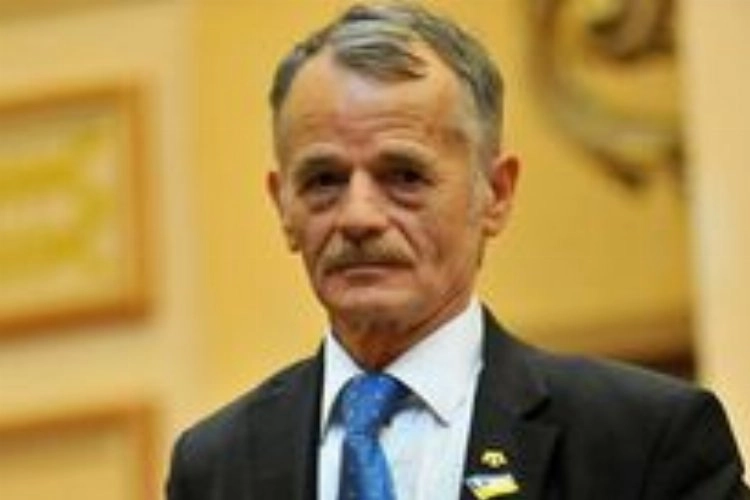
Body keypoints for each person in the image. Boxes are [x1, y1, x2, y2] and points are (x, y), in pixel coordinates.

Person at [166, 2, 748, 499]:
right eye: (324, 181)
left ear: (495, 194)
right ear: (282, 205)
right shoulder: (216, 467)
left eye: (404, 176)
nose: (359, 216)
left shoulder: (643, 441)